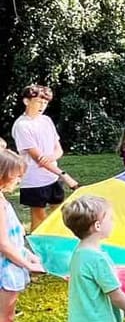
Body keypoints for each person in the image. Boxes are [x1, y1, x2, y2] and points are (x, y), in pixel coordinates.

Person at [0, 150, 45, 322]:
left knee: (4, 320)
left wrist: (29, 256)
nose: (19, 181)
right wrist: (27, 265)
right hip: (6, 270)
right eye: (16, 176)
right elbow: (3, 244)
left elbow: (13, 239)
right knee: (3, 321)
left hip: (11, 265)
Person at [11, 83, 78, 231]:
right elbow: (38, 159)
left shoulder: (46, 120)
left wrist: (50, 158)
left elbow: (58, 149)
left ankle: (58, 242)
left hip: (52, 177)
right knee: (39, 217)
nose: (42, 105)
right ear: (26, 101)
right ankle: (38, 249)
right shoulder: (22, 126)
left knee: (60, 213)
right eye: (38, 102)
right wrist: (65, 176)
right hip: (34, 180)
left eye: (45, 102)